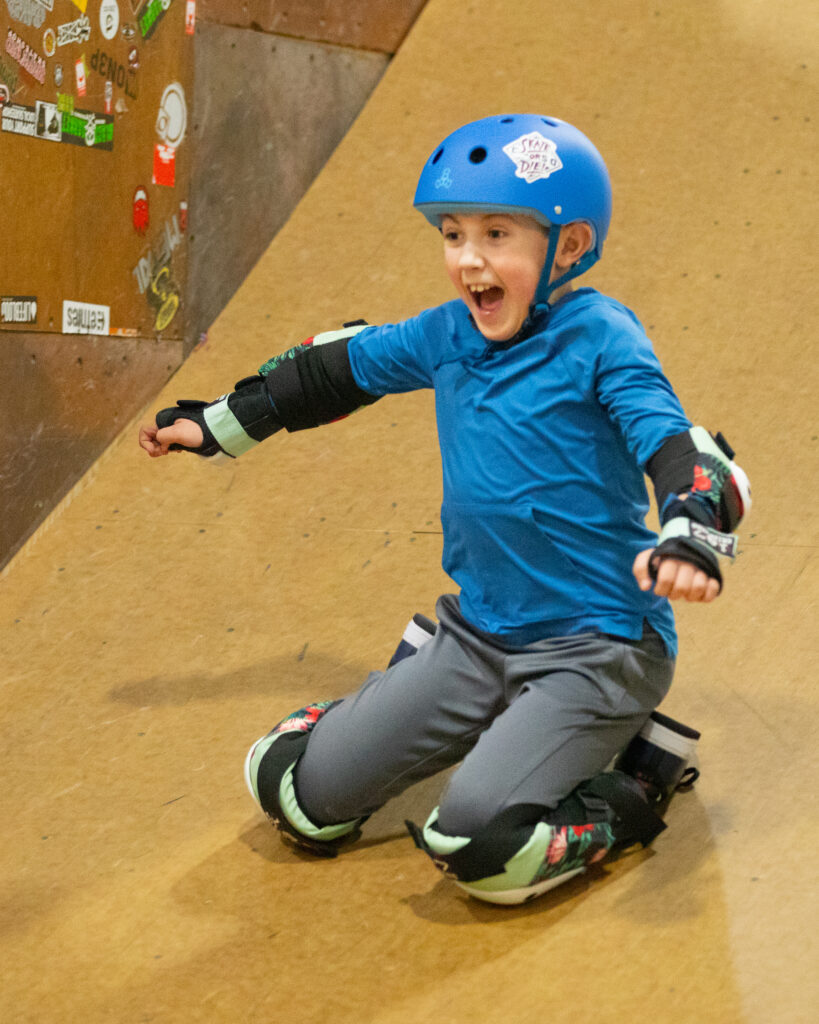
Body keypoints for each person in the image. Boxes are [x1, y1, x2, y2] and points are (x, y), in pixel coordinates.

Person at [139, 115, 750, 905]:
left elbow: (671, 442)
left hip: (597, 645)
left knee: (482, 848)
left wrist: (689, 537)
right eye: (453, 233)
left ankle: (635, 779)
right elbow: (335, 369)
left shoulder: (600, 336)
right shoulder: (447, 335)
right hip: (476, 636)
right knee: (291, 789)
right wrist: (217, 423)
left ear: (567, 247)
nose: (468, 258)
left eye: (497, 233)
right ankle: (431, 693)